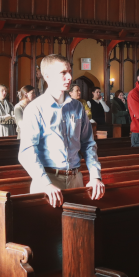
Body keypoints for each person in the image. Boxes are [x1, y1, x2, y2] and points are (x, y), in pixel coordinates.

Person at [18, 54, 104, 204]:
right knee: (48, 227)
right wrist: (45, 183)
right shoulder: (35, 108)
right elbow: (27, 152)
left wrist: (95, 176)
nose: (70, 77)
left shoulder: (77, 107)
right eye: (63, 73)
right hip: (48, 179)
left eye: (70, 71)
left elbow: (88, 144)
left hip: (76, 177)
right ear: (47, 76)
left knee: (79, 226)